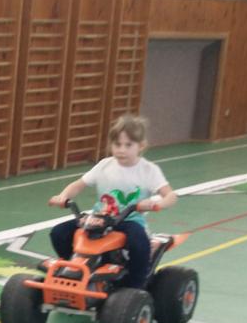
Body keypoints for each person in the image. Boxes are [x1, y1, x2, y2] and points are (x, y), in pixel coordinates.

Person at [46, 114, 177, 288]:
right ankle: (74, 270)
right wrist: (63, 196)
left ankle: (136, 285)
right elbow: (78, 184)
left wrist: (157, 203)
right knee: (59, 233)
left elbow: (170, 196)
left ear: (141, 146)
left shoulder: (148, 170)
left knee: (139, 243)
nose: (121, 150)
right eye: (117, 144)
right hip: (98, 219)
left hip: (129, 220)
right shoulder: (105, 165)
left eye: (128, 145)